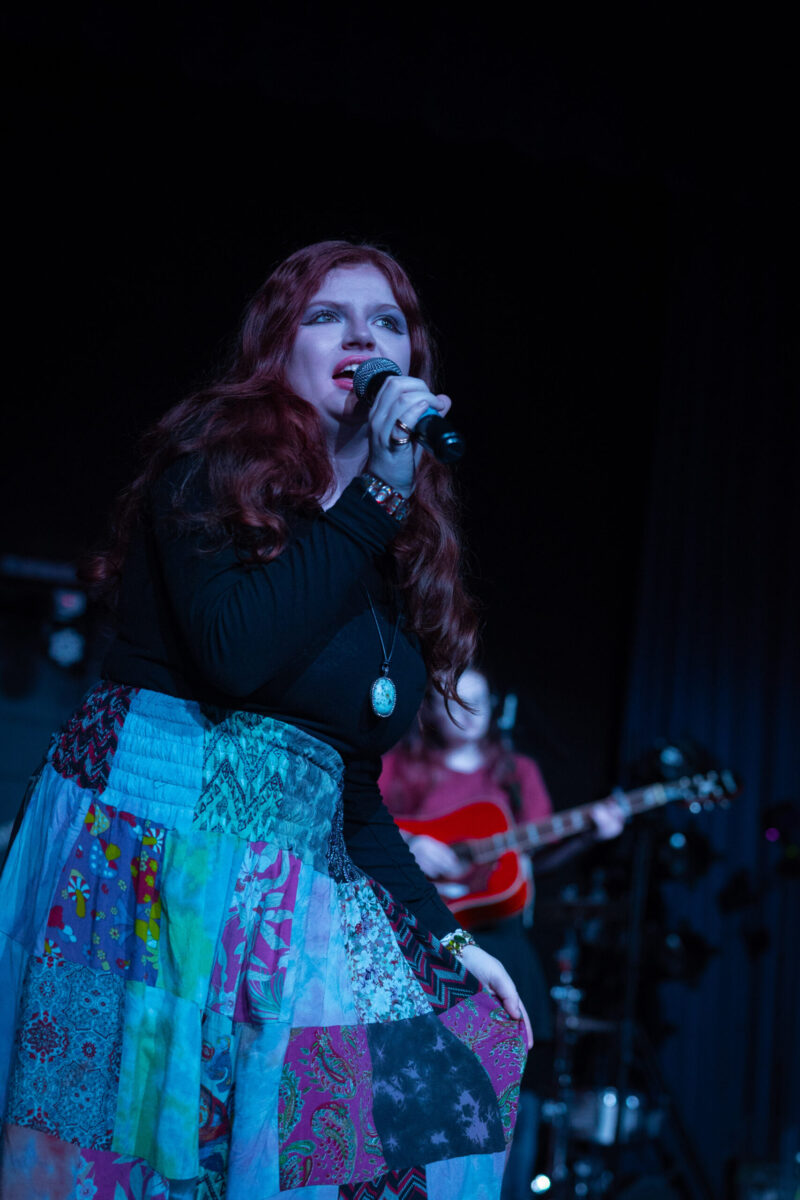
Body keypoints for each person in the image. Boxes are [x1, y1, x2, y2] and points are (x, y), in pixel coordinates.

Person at [0, 242, 531, 1199]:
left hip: (280, 897)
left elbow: (351, 790)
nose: (362, 337)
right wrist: (376, 495)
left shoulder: (391, 544)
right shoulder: (212, 462)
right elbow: (233, 652)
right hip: (139, 863)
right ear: (277, 346)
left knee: (451, 1081)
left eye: (387, 322)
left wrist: (454, 943)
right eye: (329, 315)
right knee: (108, 1162)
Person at [380, 666, 624, 1199]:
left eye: (479, 702)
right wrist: (408, 843)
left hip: (501, 940)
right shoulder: (397, 764)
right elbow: (359, 819)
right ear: (429, 708)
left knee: (503, 1095)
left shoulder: (515, 773)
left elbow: (540, 852)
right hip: (422, 945)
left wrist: (592, 835)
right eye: (454, 701)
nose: (468, 713)